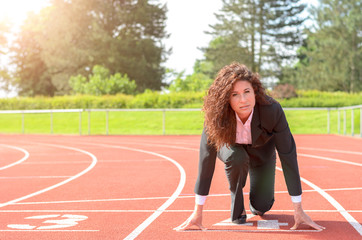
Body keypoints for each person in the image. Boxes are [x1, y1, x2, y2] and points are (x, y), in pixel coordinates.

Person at [174, 62, 325, 231]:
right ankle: (237, 208)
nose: (243, 100)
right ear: (226, 99)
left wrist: (298, 209)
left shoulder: (272, 110)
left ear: (255, 91)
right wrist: (197, 212)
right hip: (231, 148)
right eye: (235, 95)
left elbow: (288, 154)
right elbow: (206, 159)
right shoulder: (217, 116)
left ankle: (257, 204)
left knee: (263, 206)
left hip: (262, 152)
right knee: (236, 157)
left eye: (247, 92)